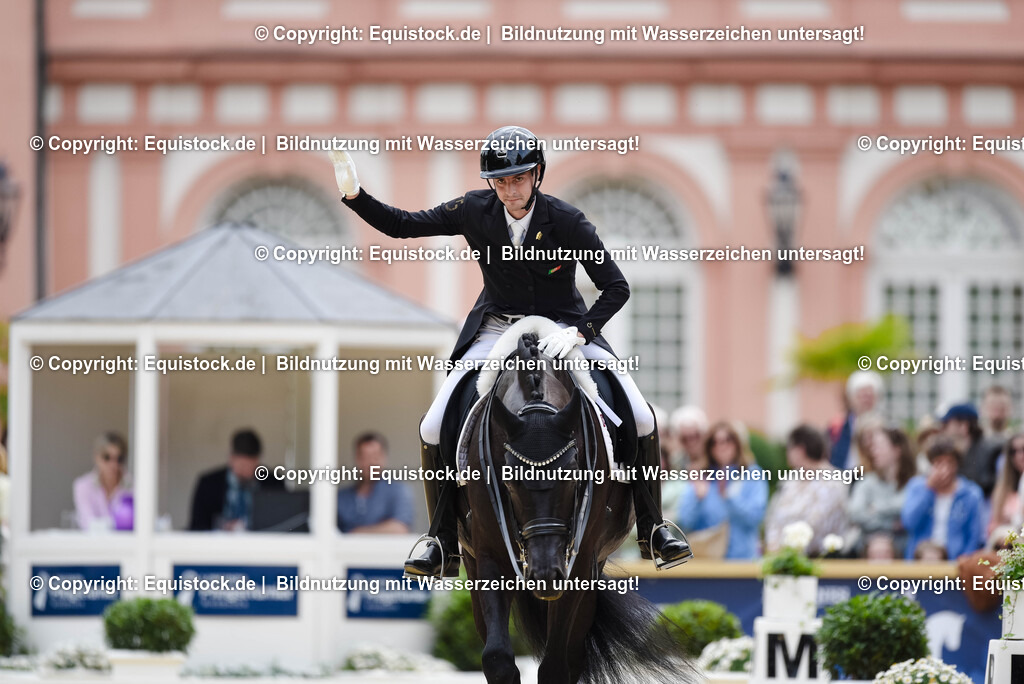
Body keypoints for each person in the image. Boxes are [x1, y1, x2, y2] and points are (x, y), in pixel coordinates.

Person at [329, 126, 691, 577]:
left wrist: (581, 332)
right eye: (500, 182)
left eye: (518, 179)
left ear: (537, 174)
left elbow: (616, 287)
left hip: (563, 327)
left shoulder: (567, 221)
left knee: (640, 415)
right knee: (433, 423)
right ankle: (441, 538)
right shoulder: (473, 210)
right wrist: (354, 194)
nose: (509, 190)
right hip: (497, 327)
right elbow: (404, 225)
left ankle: (654, 528)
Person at [676, 421, 768, 560]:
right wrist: (698, 499)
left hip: (744, 561)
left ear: (737, 444)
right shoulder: (701, 476)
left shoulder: (752, 474)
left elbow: (755, 517)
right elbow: (686, 522)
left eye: (727, 440)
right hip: (708, 563)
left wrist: (729, 497)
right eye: (715, 442)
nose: (721, 446)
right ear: (709, 447)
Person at [764, 425, 849, 556]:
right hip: (782, 558)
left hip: (820, 560)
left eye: (789, 448)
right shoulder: (790, 481)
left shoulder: (832, 482)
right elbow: (773, 517)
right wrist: (773, 547)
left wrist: (788, 547)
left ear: (800, 450)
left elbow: (816, 524)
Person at [901, 437, 986, 561]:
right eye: (939, 462)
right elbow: (909, 522)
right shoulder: (917, 487)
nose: (944, 468)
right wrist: (929, 489)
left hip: (955, 563)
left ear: (957, 464)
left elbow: (974, 536)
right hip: (920, 560)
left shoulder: (971, 494)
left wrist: (964, 561)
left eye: (949, 462)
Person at [188, 429, 281, 531]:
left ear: (258, 461)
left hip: (260, 544)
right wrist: (222, 527)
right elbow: (197, 526)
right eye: (241, 466)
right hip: (217, 544)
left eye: (249, 467)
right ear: (231, 458)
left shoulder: (274, 482)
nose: (245, 472)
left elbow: (282, 523)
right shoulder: (208, 484)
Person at [846, 426, 917, 556]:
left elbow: (909, 514)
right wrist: (893, 522)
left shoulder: (915, 484)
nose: (874, 452)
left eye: (879, 446)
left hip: (904, 552)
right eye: (873, 447)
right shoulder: (865, 482)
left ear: (896, 450)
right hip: (866, 551)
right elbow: (855, 513)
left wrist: (874, 508)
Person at [337, 432, 415, 534]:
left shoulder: (398, 491)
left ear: (384, 458)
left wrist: (356, 533)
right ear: (357, 459)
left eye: (375, 456)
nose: (371, 463)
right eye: (365, 457)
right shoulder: (342, 497)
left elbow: (400, 529)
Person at [73, 432, 133, 531]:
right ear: (96, 457)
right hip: (93, 545)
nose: (113, 464)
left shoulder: (134, 486)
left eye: (119, 459)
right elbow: (88, 523)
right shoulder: (83, 486)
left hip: (126, 546)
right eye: (107, 457)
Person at [941, 403, 1002, 498]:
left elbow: (985, 484)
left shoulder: (990, 451)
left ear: (964, 426)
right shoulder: (950, 450)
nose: (943, 429)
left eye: (946, 424)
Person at [830, 370, 883, 469]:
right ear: (851, 398)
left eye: (869, 396)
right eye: (862, 395)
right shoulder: (838, 426)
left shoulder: (884, 426)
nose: (866, 400)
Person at [988, 432, 1024, 532]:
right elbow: (994, 525)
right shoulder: (1001, 490)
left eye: (1023, 449)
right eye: (1014, 451)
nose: (1020, 455)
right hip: (1008, 542)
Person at [668, 405, 709, 470]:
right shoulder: (675, 462)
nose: (691, 443)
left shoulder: (716, 459)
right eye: (685, 439)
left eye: (695, 436)